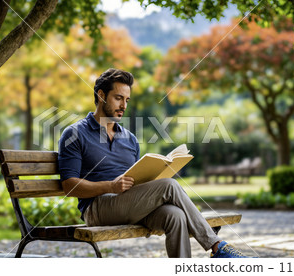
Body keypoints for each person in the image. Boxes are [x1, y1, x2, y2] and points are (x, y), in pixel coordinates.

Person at [58, 68, 250, 258]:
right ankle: (217, 247)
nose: (124, 105)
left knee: (176, 216)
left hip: (129, 205)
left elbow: (136, 181)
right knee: (169, 185)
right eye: (118, 98)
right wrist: (111, 186)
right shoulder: (75, 134)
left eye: (127, 100)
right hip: (97, 209)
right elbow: (69, 187)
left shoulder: (129, 139)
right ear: (101, 95)